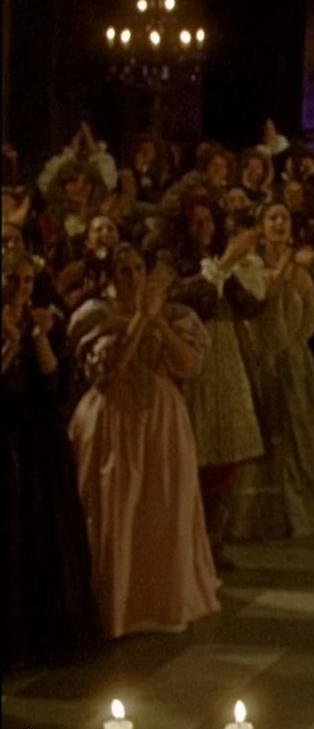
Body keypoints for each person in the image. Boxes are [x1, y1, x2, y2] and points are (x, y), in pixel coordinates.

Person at [68, 247, 220, 638]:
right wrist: (140, 320)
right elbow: (112, 370)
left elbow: (188, 365)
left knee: (164, 505)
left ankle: (163, 602)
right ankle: (117, 607)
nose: (134, 277)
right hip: (114, 417)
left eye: (139, 269)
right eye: (124, 271)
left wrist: (159, 324)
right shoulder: (96, 316)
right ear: (110, 278)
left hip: (161, 419)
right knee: (116, 503)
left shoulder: (175, 315)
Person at [162, 180, 267, 571]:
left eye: (209, 221)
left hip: (226, 359)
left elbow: (249, 305)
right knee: (195, 453)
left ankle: (214, 538)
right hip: (193, 362)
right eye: (196, 222)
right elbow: (190, 300)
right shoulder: (173, 261)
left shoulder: (219, 257)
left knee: (226, 456)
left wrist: (240, 267)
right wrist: (222, 266)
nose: (204, 229)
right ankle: (190, 541)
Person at [4, 248, 100, 667]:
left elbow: (56, 381)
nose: (21, 289)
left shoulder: (44, 322)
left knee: (45, 530)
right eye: (13, 280)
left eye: (27, 281)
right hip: (8, 437)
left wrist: (38, 336)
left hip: (41, 441)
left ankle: (50, 633)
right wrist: (11, 343)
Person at [227, 202, 314, 540]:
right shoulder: (251, 265)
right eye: (272, 218)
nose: (279, 224)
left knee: (294, 434)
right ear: (260, 226)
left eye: (284, 218)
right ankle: (255, 517)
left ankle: (295, 513)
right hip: (260, 357)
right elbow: (259, 302)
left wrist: (295, 344)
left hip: (291, 359)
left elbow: (313, 313)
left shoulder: (300, 271)